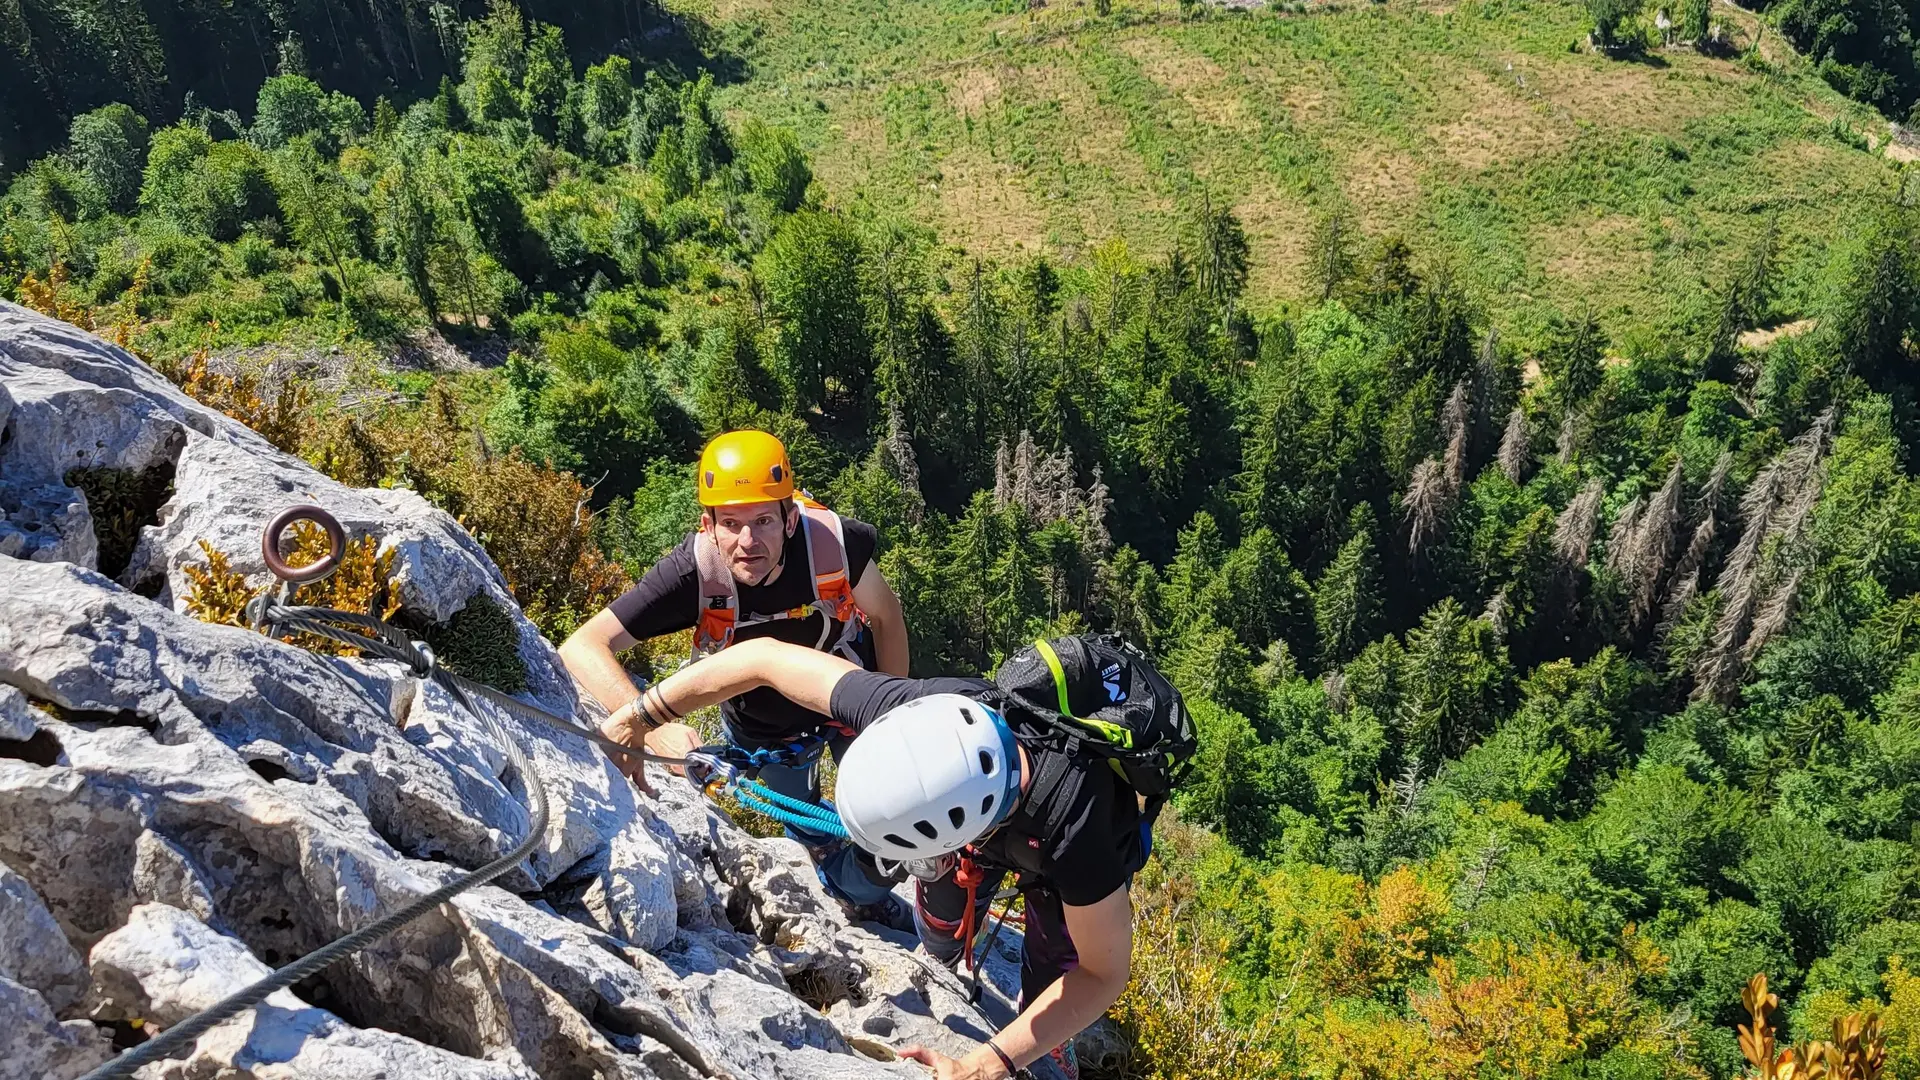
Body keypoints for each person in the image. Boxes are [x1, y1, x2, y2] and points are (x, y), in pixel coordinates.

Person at [607, 634, 1171, 1080]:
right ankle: (950, 939)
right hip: (987, 819)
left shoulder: (1077, 827)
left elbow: (1103, 973)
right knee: (940, 937)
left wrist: (988, 1063)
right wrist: (642, 715)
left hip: (1049, 853)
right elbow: (763, 659)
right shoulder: (915, 710)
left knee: (1055, 966)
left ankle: (1052, 1040)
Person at [560, 429, 912, 924]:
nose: (749, 542)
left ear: (790, 518)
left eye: (764, 520)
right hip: (764, 725)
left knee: (892, 812)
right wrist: (654, 727)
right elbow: (582, 645)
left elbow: (887, 617)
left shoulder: (833, 545)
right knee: (803, 816)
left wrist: (890, 718)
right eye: (731, 523)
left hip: (846, 694)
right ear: (708, 524)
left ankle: (871, 888)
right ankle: (850, 891)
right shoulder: (692, 573)